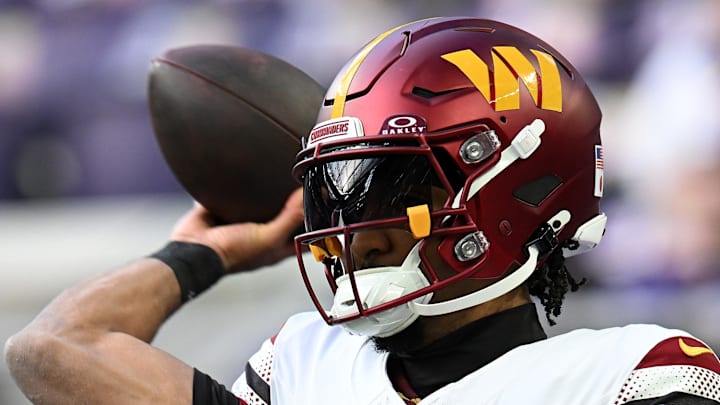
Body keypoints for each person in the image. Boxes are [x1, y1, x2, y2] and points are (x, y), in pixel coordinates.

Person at [5, 17, 720, 405]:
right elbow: (53, 351)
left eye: (393, 188)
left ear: (519, 189)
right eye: (335, 191)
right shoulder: (308, 365)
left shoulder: (633, 378)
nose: (352, 231)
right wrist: (206, 254)